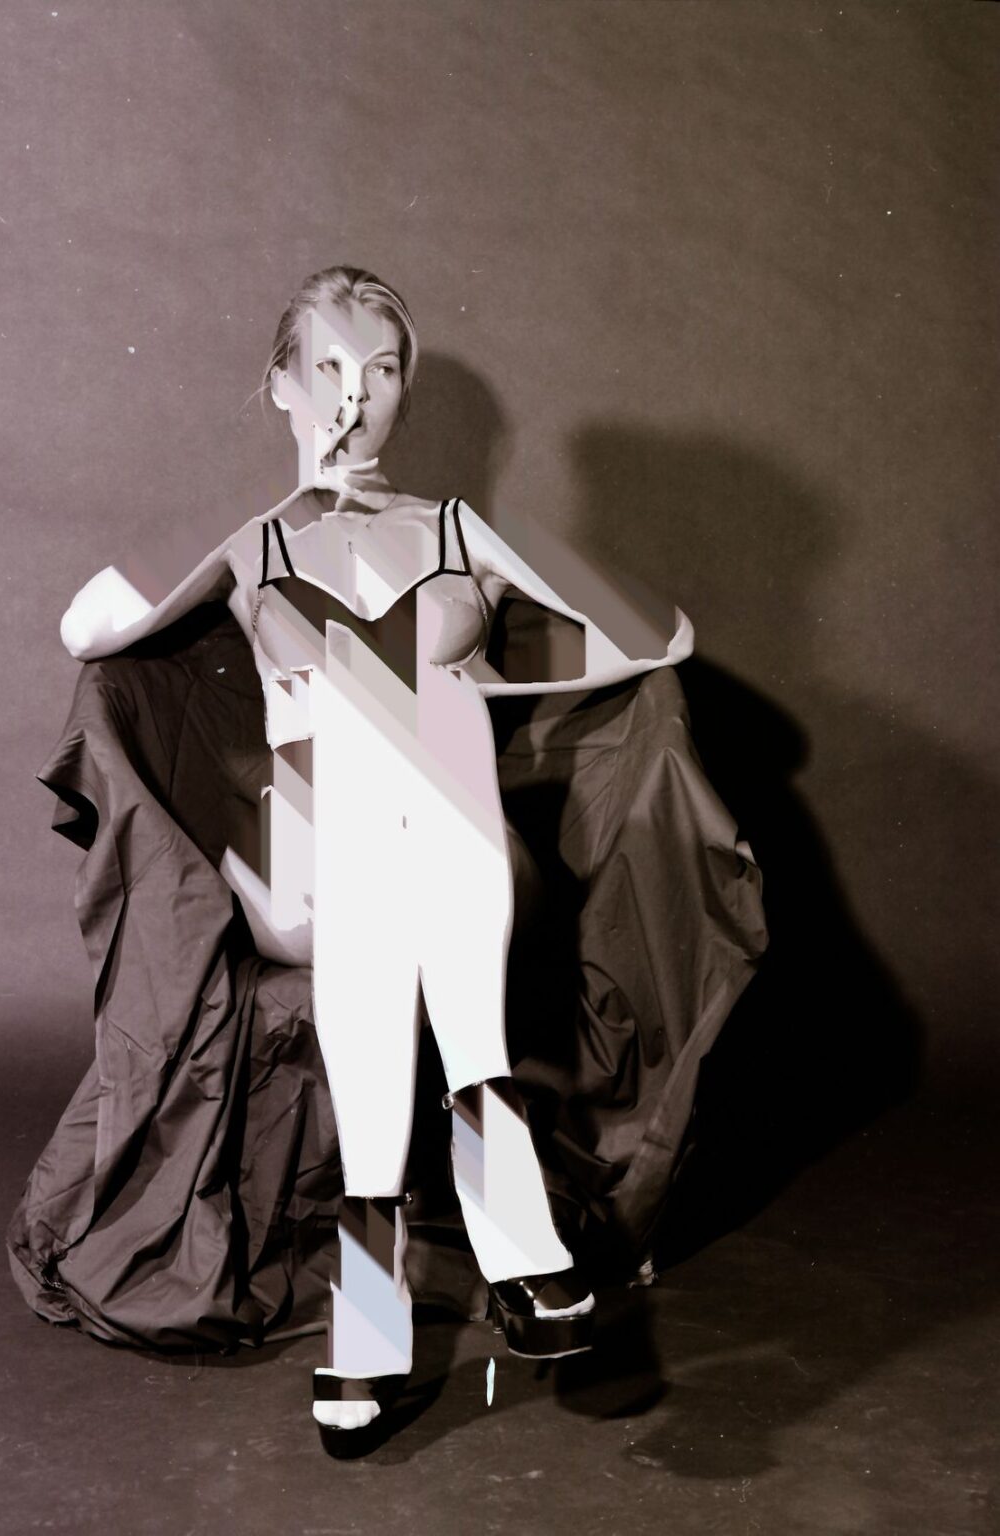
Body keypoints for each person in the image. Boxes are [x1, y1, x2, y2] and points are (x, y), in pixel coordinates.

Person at [56, 266, 700, 1449]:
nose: (355, 399)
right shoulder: (252, 546)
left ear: (408, 390)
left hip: (446, 851)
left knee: (427, 779)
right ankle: (516, 1246)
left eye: (383, 370)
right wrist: (278, 512)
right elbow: (85, 624)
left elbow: (659, 632)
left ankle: (374, 1325)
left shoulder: (455, 530)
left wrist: (475, 667)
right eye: (327, 370)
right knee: (397, 790)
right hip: (308, 862)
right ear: (280, 385)